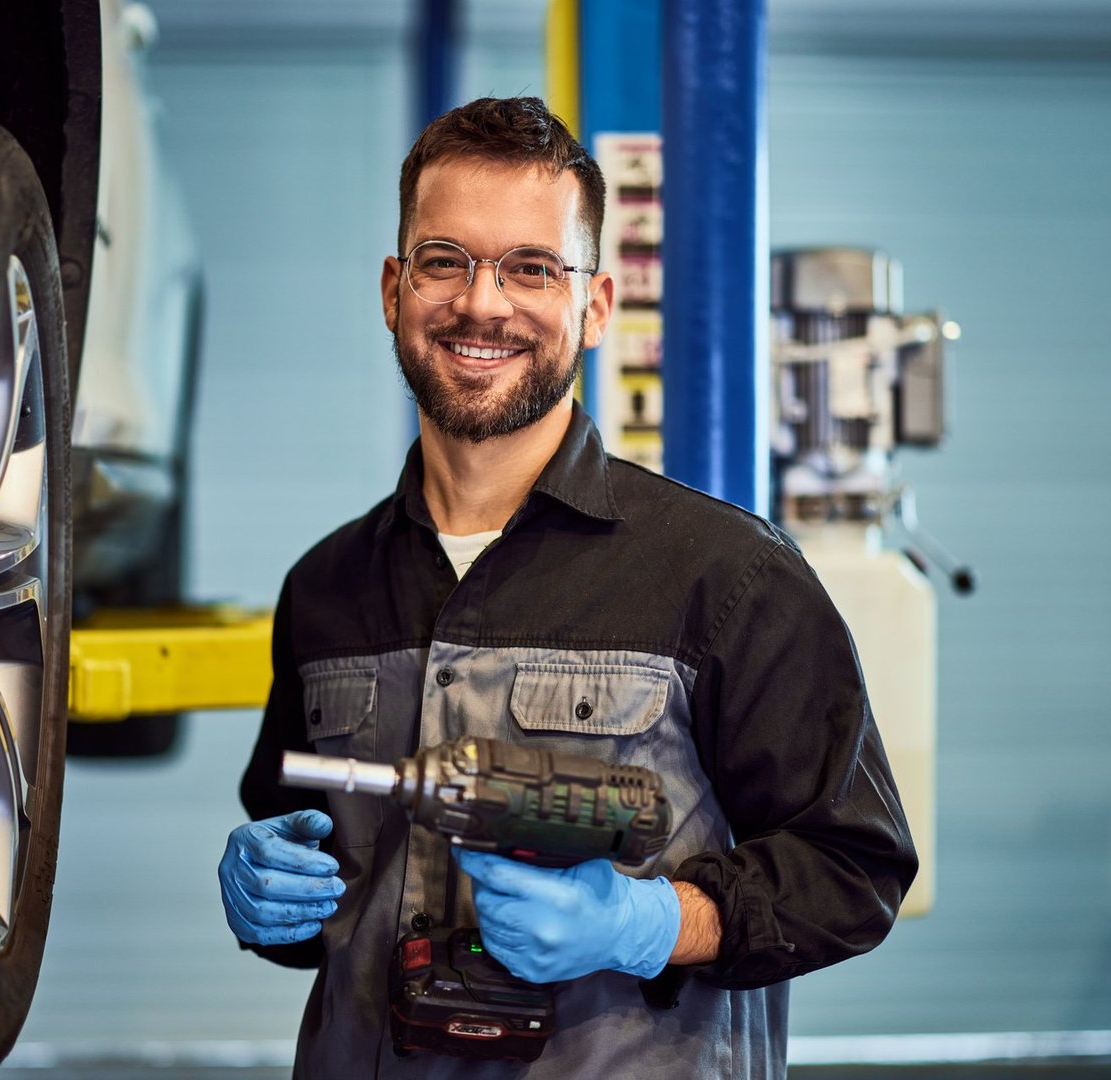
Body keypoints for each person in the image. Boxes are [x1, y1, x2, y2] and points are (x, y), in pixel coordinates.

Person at [217, 96, 917, 1078]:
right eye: (444, 259)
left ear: (594, 306)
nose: (482, 303)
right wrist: (268, 896)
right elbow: (313, 897)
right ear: (392, 289)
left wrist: (651, 921)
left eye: (532, 267)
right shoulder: (327, 587)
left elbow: (857, 867)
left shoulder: (725, 575)